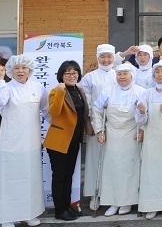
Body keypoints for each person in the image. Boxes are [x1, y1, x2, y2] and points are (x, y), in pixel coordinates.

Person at [0, 55, 49, 227]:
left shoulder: (38, 88)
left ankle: (28, 213)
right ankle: (7, 217)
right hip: (10, 142)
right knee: (9, 178)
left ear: (29, 70)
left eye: (24, 68)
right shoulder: (6, 87)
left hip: (31, 141)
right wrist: (0, 79)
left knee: (30, 178)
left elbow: (47, 112)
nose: (20, 71)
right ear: (10, 70)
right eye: (16, 68)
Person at [91, 63, 146, 217]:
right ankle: (113, 201)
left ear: (132, 76)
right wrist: (99, 130)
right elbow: (96, 110)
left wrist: (142, 130)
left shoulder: (140, 92)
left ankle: (127, 202)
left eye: (125, 74)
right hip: (112, 135)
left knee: (128, 168)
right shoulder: (108, 91)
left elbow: (145, 114)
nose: (121, 77)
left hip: (130, 134)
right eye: (119, 74)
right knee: (112, 168)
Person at [43, 61, 93, 221]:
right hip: (59, 141)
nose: (72, 76)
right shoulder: (55, 91)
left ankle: (67, 206)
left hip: (74, 140)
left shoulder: (79, 90)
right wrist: (59, 92)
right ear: (61, 76)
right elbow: (54, 112)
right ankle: (60, 210)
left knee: (69, 175)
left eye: (74, 73)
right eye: (68, 73)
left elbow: (83, 113)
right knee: (59, 176)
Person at [136, 61, 162, 220]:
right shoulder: (147, 93)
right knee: (151, 170)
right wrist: (141, 112)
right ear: (153, 75)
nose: (160, 74)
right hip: (151, 138)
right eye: (157, 72)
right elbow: (141, 120)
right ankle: (151, 205)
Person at [79, 44, 119, 209]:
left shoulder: (119, 74)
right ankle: (95, 193)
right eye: (103, 56)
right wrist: (88, 122)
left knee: (113, 159)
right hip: (97, 123)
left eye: (109, 56)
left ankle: (112, 193)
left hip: (117, 123)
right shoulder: (89, 77)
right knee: (95, 158)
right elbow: (86, 102)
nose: (106, 60)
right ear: (97, 58)